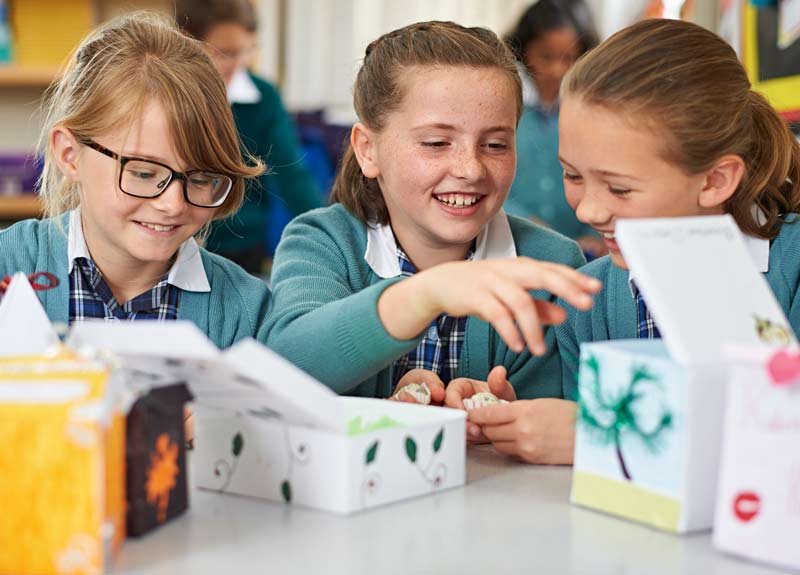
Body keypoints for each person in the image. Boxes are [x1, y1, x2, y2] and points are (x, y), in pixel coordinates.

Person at [456, 19, 800, 464]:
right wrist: (511, 413)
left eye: (619, 189)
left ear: (715, 181)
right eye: (573, 175)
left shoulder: (791, 269)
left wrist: (599, 436)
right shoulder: (590, 303)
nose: (588, 212)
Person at [262, 21, 601, 405]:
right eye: (436, 143)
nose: (470, 169)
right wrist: (426, 294)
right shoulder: (320, 242)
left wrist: (505, 412)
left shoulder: (551, 264)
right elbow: (286, 366)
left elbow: (558, 410)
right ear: (367, 150)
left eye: (495, 144)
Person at [0, 12, 270, 348]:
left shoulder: (246, 313)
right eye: (143, 173)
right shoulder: (9, 267)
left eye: (201, 178)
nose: (173, 204)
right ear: (69, 154)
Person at [176, 0, 322, 274]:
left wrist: (328, 232)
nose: (239, 63)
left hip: (242, 246)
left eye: (246, 50)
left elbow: (293, 176)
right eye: (226, 53)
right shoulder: (169, 95)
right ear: (189, 41)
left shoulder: (263, 97)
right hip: (174, 235)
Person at [503, 0, 604, 256]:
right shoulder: (504, 107)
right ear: (524, 52)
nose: (557, 69)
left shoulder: (594, 112)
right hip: (514, 241)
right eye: (546, 56)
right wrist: (525, 222)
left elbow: (603, 177)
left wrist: (594, 234)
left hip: (580, 250)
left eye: (568, 58)